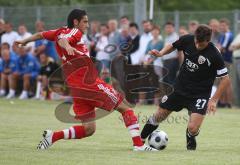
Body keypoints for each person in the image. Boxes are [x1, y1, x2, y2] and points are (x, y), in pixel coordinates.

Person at [15, 9, 156, 151]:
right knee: (126, 108)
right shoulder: (74, 32)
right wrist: (68, 46)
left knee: (89, 129)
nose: (87, 25)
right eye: (85, 21)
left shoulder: (59, 31)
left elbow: (41, 34)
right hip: (89, 84)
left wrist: (24, 41)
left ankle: (53, 136)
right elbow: (63, 40)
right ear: (76, 22)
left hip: (77, 89)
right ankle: (138, 145)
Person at [140, 24, 230, 150]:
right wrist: (160, 53)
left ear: (208, 41)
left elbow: (226, 79)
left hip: (200, 94)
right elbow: (173, 46)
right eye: (196, 42)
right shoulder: (187, 39)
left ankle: (190, 136)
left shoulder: (214, 54)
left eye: (201, 44)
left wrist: (213, 100)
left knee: (193, 128)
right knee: (159, 115)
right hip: (179, 88)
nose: (197, 45)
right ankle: (140, 141)